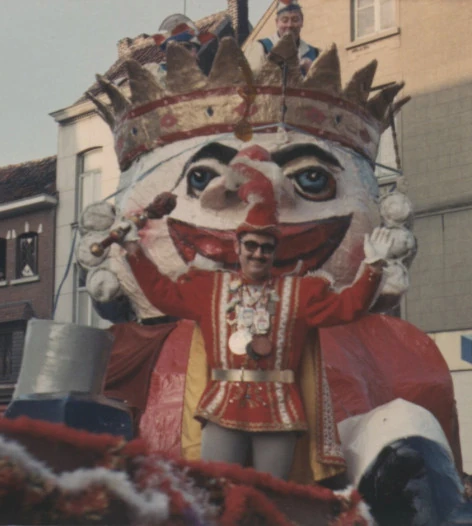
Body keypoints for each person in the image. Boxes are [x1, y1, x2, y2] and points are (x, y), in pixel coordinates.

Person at [119, 161, 392, 480]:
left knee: (271, 494)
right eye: (251, 246)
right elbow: (161, 293)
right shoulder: (210, 288)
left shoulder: (299, 292)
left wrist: (373, 268)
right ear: (237, 247)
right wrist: (133, 249)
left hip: (279, 408)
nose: (258, 254)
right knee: (218, 490)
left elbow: (347, 308)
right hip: (222, 405)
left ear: (274, 253)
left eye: (266, 248)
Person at [244, 0, 319, 76]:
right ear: (277, 22)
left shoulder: (315, 54)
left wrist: (311, 70)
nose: (289, 25)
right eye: (285, 20)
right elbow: (250, 80)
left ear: (302, 21)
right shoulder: (261, 48)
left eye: (295, 20)